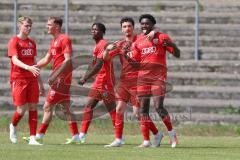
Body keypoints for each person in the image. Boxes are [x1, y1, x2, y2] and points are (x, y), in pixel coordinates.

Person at [104, 17, 163, 147]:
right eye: (124, 26)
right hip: (124, 81)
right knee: (119, 109)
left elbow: (156, 32)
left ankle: (151, 138)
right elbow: (106, 58)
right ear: (121, 29)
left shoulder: (140, 39)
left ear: (133, 27)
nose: (127, 28)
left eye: (129, 26)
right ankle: (119, 139)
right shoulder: (119, 44)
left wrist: (155, 31)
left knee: (138, 113)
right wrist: (107, 49)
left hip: (138, 80)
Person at [26, 16, 80, 144]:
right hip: (60, 78)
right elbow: (46, 59)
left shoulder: (64, 39)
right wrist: (31, 67)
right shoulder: (54, 41)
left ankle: (40, 135)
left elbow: (67, 60)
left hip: (61, 78)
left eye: (49, 24)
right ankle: (76, 135)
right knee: (66, 108)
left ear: (57, 26)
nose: (47, 27)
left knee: (47, 106)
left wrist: (57, 75)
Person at [132, 14, 180, 148]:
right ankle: (153, 137)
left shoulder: (162, 37)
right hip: (143, 78)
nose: (144, 26)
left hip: (158, 77)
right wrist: (125, 54)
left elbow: (177, 54)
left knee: (159, 107)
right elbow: (135, 62)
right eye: (142, 23)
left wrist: (171, 44)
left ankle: (172, 134)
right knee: (143, 111)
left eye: (147, 24)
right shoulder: (138, 41)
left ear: (153, 24)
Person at [76, 23, 116, 143]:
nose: (93, 31)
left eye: (96, 30)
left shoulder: (103, 44)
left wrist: (85, 78)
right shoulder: (97, 45)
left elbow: (99, 65)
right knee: (88, 107)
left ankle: (119, 136)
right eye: (92, 29)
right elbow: (93, 64)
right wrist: (85, 76)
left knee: (111, 109)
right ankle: (82, 135)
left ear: (102, 32)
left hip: (104, 81)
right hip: (99, 81)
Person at [8, 16, 44, 145]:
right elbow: (14, 60)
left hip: (32, 79)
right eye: (26, 26)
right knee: (21, 110)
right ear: (20, 26)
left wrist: (40, 83)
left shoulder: (32, 43)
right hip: (18, 79)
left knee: (33, 107)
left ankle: (33, 138)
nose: (28, 28)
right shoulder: (14, 41)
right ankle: (13, 125)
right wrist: (27, 67)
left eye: (30, 26)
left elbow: (34, 63)